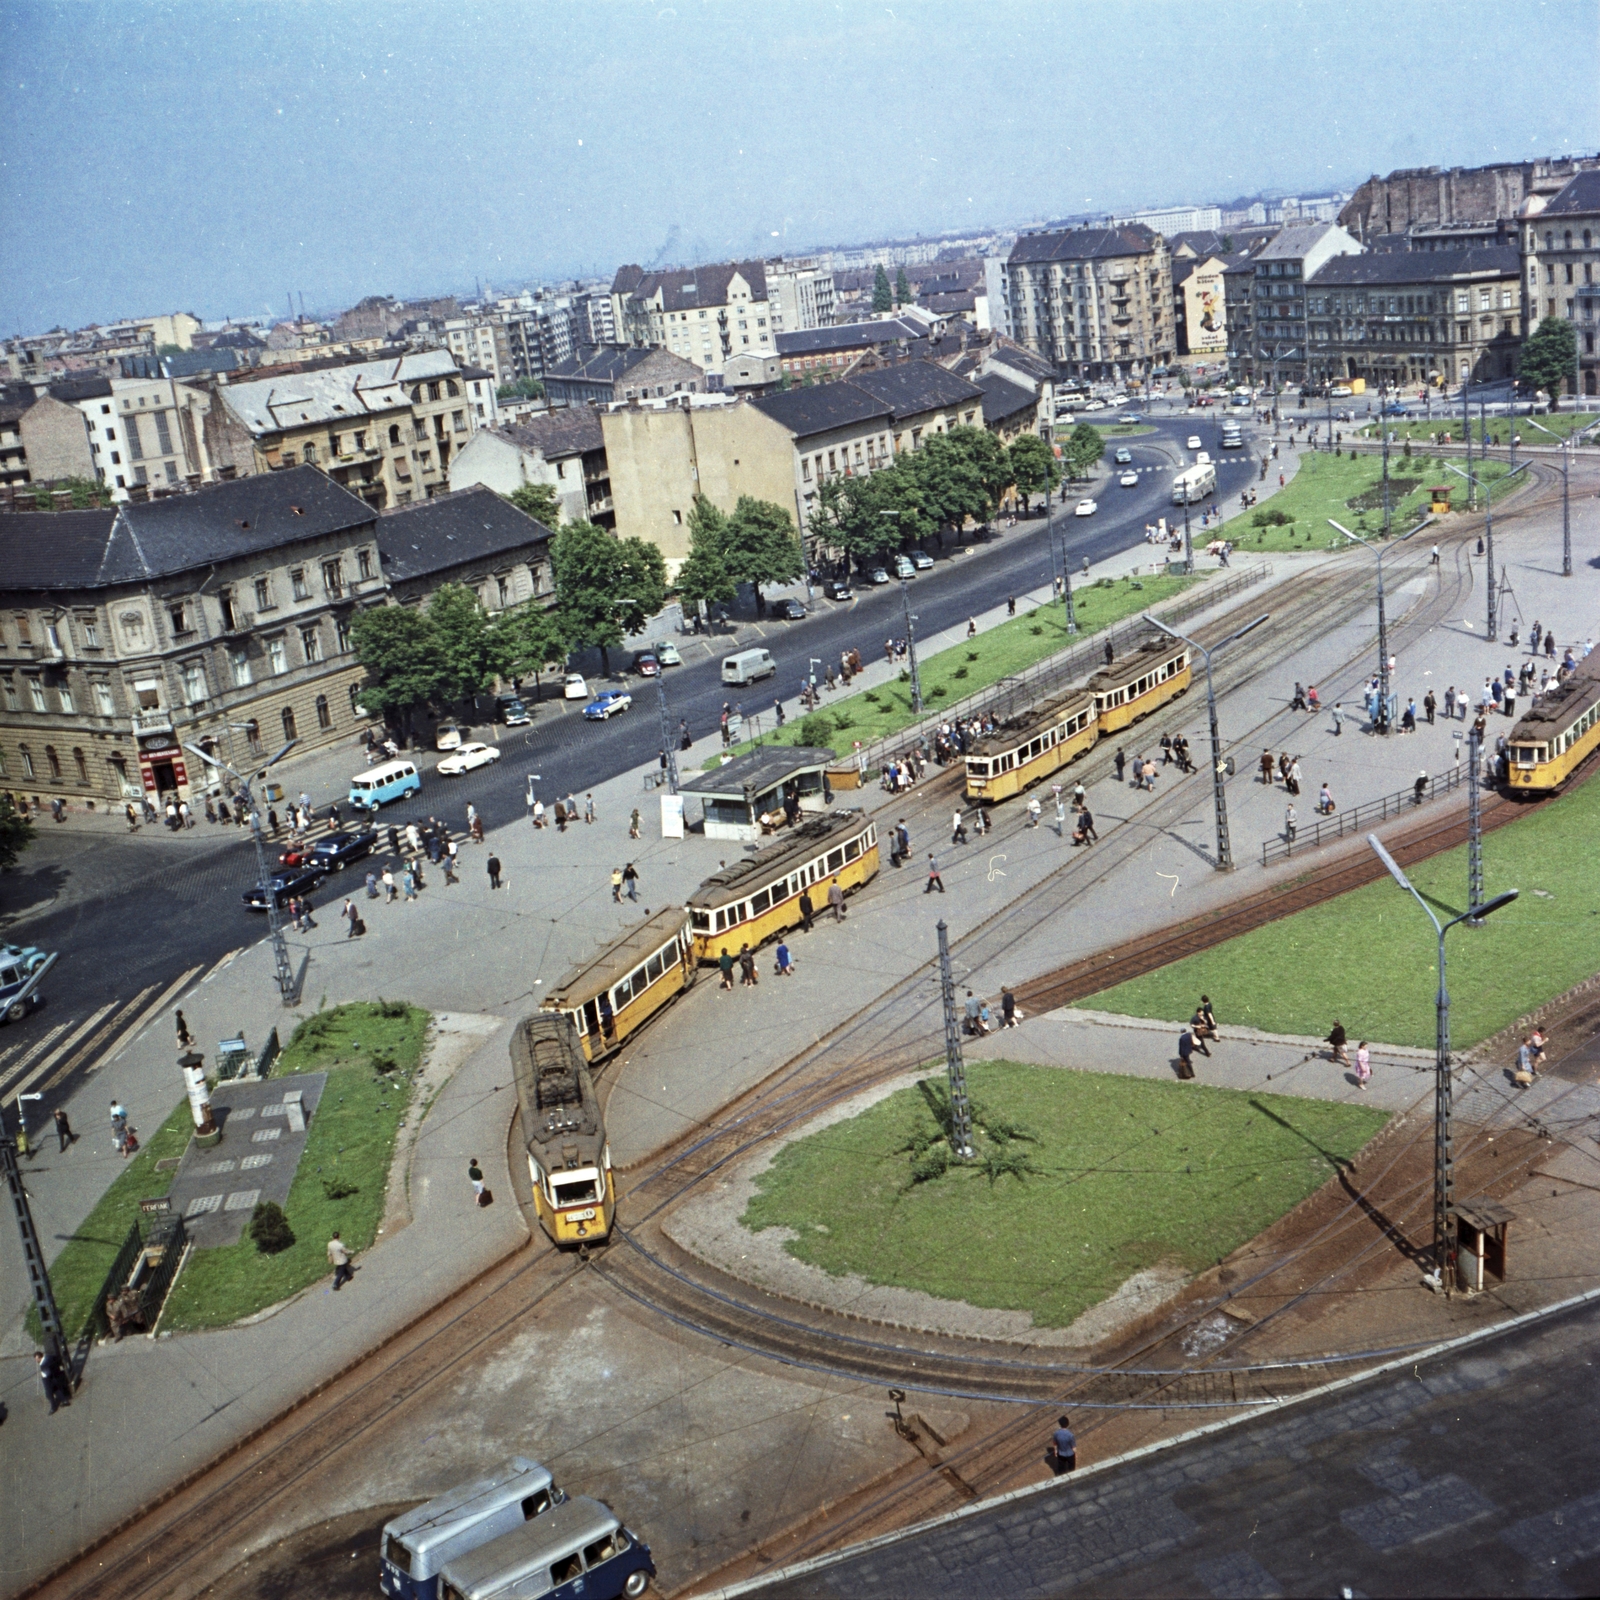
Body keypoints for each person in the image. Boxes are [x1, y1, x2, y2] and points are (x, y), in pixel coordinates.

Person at [37, 1348, 72, 1415]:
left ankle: (53, 1407)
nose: (36, 1360)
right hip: (54, 1377)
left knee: (49, 1394)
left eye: (36, 1358)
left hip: (47, 1379)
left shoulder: (43, 1364)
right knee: (56, 1390)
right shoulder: (48, 1357)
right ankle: (64, 1401)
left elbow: (45, 1371)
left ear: (39, 1357)